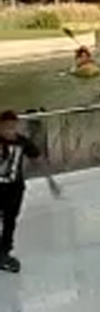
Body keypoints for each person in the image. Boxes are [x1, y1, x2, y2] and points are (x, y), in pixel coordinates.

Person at [0, 111, 43, 274]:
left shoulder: (22, 142)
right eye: (5, 128)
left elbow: (36, 157)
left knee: (10, 220)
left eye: (12, 127)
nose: (9, 131)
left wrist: (50, 179)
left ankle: (4, 251)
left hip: (14, 189)